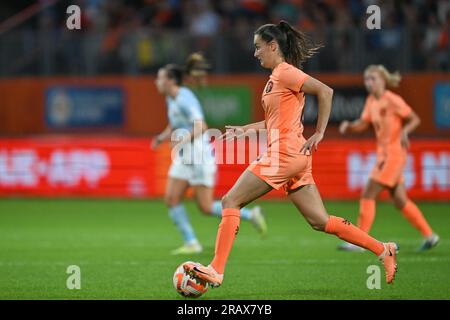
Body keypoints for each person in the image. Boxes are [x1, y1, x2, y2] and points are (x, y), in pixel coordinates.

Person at [183, 21, 398, 288]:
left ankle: (216, 269)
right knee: (320, 221)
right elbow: (273, 122)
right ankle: (382, 248)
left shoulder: (285, 72)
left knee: (230, 200)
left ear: (273, 46)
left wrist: (320, 132)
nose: (255, 53)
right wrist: (244, 130)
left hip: (284, 154)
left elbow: (325, 91)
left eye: (258, 47)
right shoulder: (274, 80)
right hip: (295, 156)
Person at [152, 53, 267, 255]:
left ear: (170, 81)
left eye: (160, 77)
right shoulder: (171, 99)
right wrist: (162, 137)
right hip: (184, 156)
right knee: (171, 198)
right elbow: (175, 123)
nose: (157, 81)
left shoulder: (185, 98)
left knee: (205, 207)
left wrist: (182, 141)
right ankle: (191, 242)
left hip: (198, 155)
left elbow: (202, 126)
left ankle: (250, 215)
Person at [337, 65, 439, 252]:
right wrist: (350, 126)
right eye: (367, 79)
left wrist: (405, 132)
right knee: (400, 200)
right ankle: (430, 235)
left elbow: (414, 119)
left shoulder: (392, 100)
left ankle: (359, 240)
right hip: (385, 154)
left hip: (393, 155)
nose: (369, 83)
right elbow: (363, 124)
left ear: (383, 80)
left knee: (368, 193)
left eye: (373, 79)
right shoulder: (371, 101)